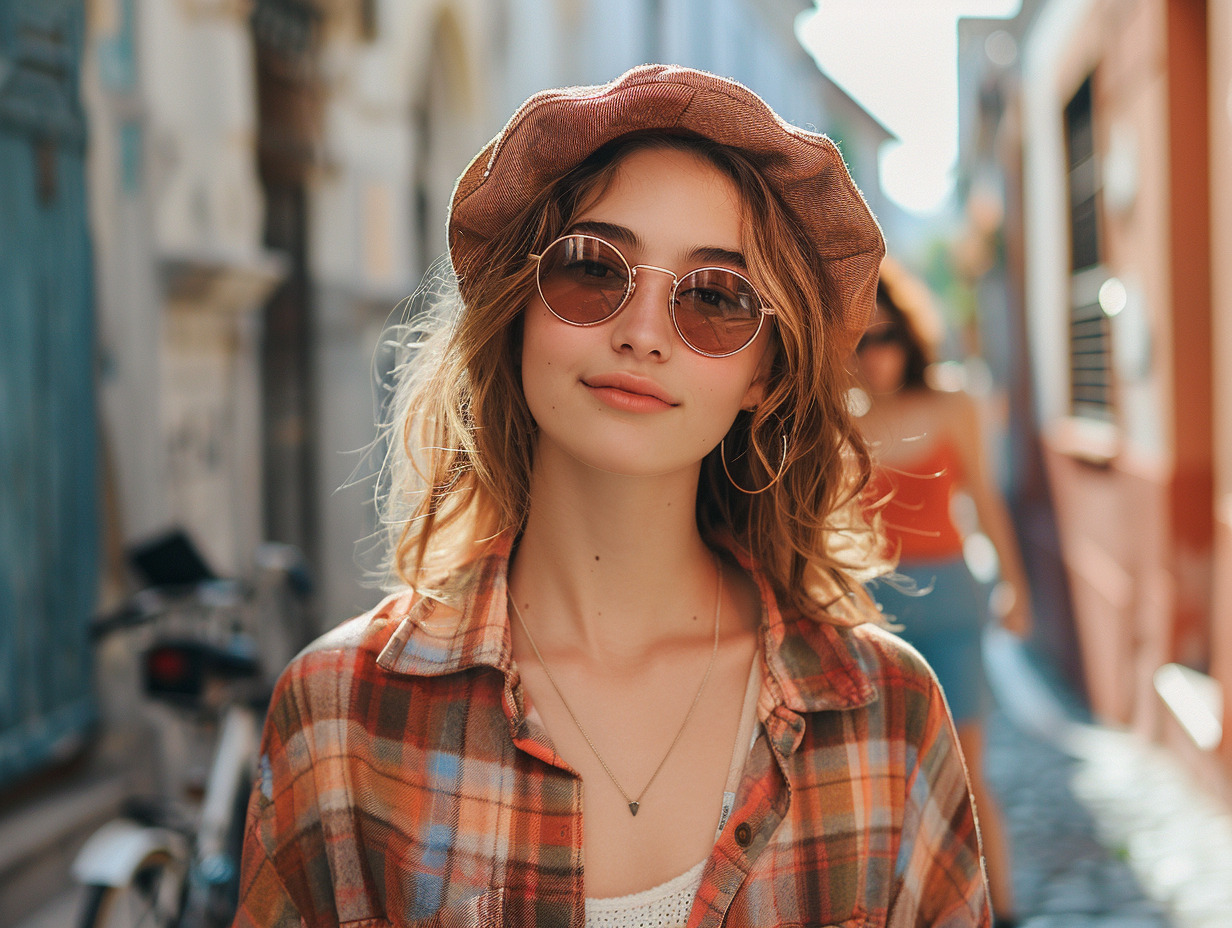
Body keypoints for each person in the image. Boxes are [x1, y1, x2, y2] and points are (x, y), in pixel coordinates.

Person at [233, 65, 990, 928]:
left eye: (714, 297)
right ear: (518, 309)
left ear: (765, 375)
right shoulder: (339, 716)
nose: (641, 333)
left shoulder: (885, 717)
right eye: (594, 270)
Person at [856, 257, 1032, 927]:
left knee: (968, 769)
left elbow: (985, 500)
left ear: (910, 336)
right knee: (887, 780)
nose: (875, 355)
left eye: (886, 336)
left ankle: (1004, 909)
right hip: (870, 613)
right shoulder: (838, 423)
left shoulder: (952, 404)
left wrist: (1017, 588)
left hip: (953, 604)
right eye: (860, 341)